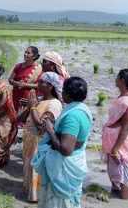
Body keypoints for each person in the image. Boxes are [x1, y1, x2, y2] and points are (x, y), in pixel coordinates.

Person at [31, 77, 93, 208]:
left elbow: (66, 149)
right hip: (71, 162)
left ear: (68, 94)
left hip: (63, 168)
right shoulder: (81, 108)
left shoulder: (73, 116)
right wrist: (55, 127)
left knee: (58, 203)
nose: (61, 92)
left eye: (63, 90)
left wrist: (50, 130)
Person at [19, 72, 63, 202]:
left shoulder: (54, 104)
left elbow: (41, 126)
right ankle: (30, 191)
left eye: (41, 82)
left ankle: (37, 196)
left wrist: (32, 105)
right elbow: (21, 119)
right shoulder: (40, 100)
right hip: (30, 140)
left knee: (36, 169)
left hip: (40, 142)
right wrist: (30, 106)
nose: (38, 84)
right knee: (29, 166)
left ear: (50, 86)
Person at [100, 69, 128, 200]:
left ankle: (124, 199)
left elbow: (125, 128)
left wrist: (115, 149)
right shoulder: (122, 98)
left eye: (117, 77)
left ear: (122, 80)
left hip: (120, 142)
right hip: (113, 139)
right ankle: (115, 194)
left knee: (124, 171)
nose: (115, 79)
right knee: (115, 170)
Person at [9, 46, 42, 114]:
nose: (25, 54)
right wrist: (17, 83)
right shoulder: (18, 66)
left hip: (28, 99)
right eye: (25, 52)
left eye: (28, 53)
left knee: (24, 118)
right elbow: (10, 80)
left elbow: (39, 85)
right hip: (16, 97)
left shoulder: (39, 69)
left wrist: (25, 85)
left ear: (34, 56)